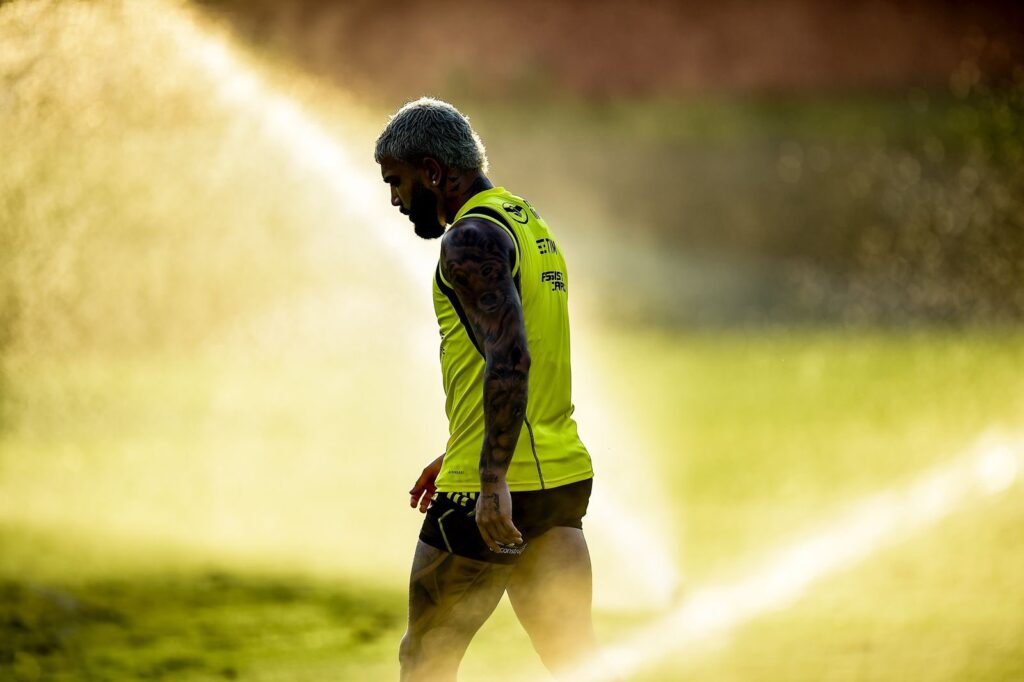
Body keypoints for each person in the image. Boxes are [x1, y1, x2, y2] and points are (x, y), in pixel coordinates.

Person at [375, 97, 597, 682]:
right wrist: (464, 444)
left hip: (491, 492)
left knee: (425, 659)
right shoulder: (527, 222)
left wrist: (489, 476)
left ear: (433, 171)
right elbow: (529, 357)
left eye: (397, 181)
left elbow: (511, 357)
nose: (395, 199)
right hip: (558, 482)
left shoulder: (468, 240)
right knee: (576, 663)